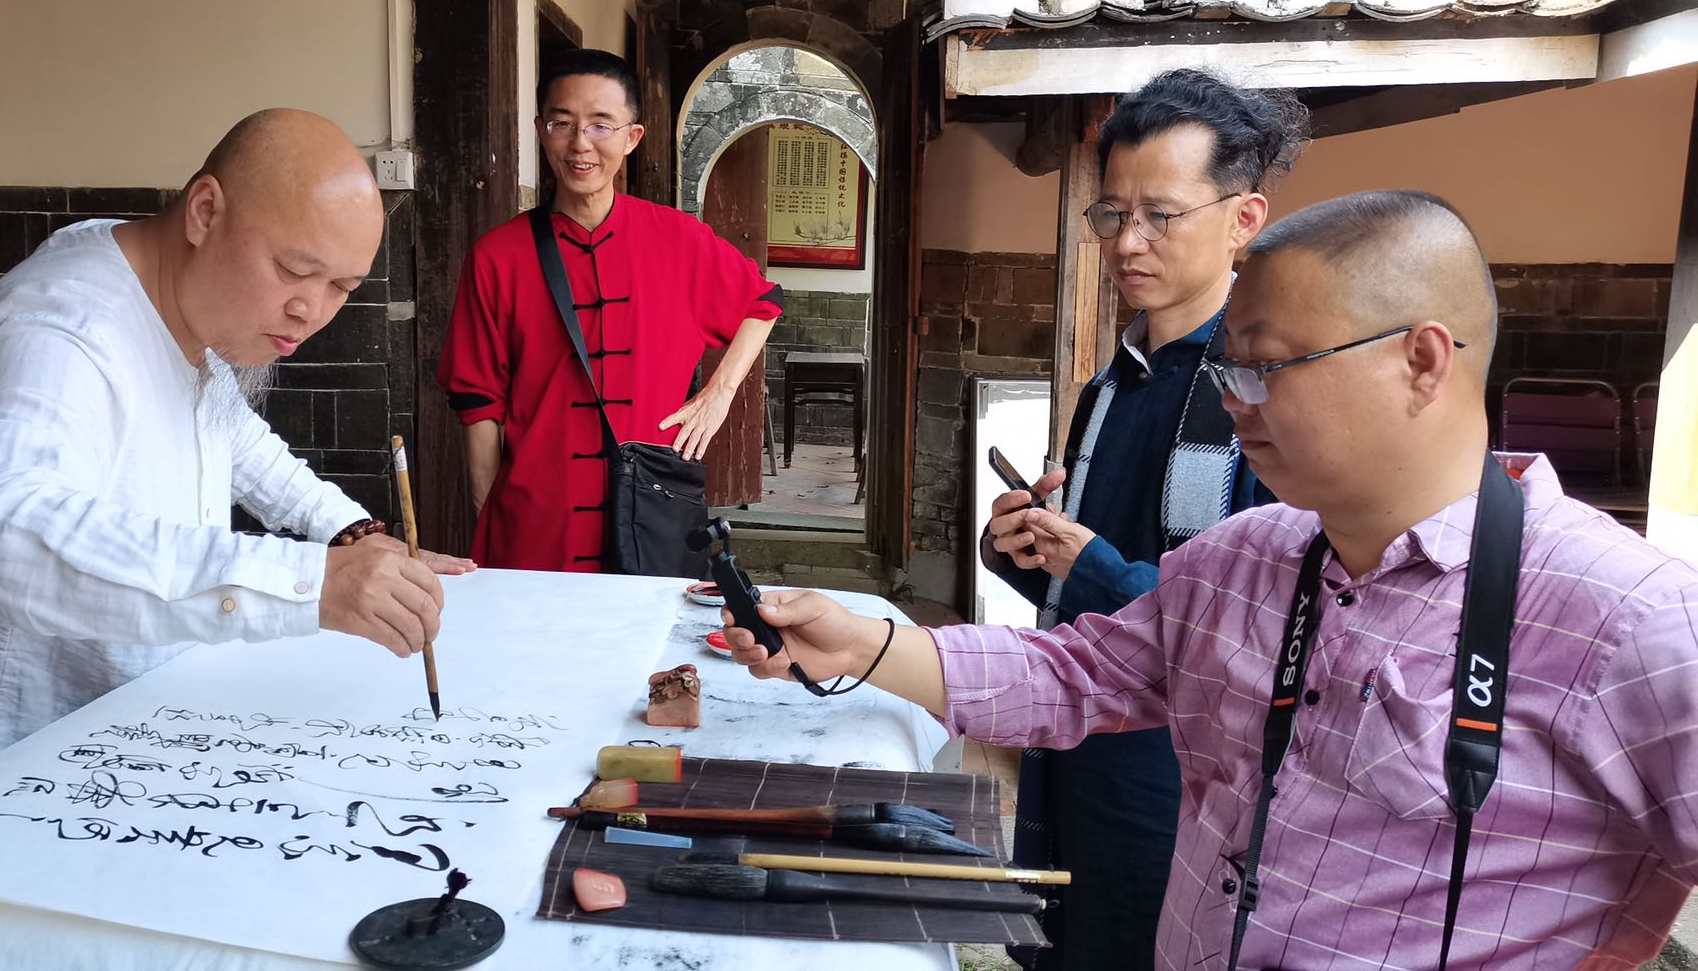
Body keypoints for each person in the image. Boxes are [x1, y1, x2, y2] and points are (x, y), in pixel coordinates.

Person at [728, 191, 1698, 968]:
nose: (1237, 401)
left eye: (1268, 367)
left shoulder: (1631, 621)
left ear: (1421, 360)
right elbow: (1074, 675)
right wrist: (863, 644)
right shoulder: (1245, 560)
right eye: (1229, 371)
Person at [0, 110, 472, 827]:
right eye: (295, 271)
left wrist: (351, 534)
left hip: (123, 752)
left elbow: (233, 435)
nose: (311, 310)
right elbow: (3, 534)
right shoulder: (60, 333)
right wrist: (311, 583)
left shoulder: (165, 290)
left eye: (344, 287)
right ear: (205, 211)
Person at [980, 69, 1303, 969]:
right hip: (1077, 736)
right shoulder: (1111, 385)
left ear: (1243, 218)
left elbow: (1270, 612)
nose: (1128, 242)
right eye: (1113, 213)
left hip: (1182, 770)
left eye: (1161, 214)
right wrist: (1025, 548)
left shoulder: (1265, 392)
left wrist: (1092, 568)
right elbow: (1100, 567)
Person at [438, 48, 783, 572]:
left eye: (601, 125)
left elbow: (763, 302)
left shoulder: (680, 240)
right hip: (538, 522)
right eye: (562, 123)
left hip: (651, 515)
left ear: (631, 137)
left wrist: (719, 393)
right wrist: (492, 516)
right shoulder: (497, 257)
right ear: (540, 130)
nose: (581, 143)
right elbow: (477, 402)